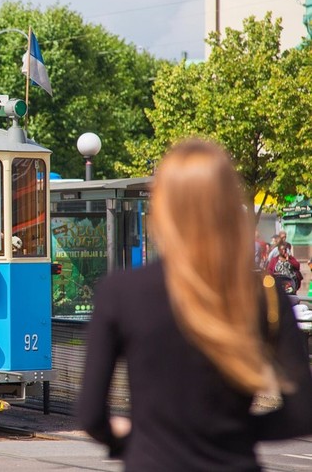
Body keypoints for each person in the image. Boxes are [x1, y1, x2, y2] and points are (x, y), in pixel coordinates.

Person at [78, 139, 312, 470]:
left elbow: (90, 414)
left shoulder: (122, 291)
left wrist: (137, 440)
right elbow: (303, 411)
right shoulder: (264, 295)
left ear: (164, 207)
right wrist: (233, 433)